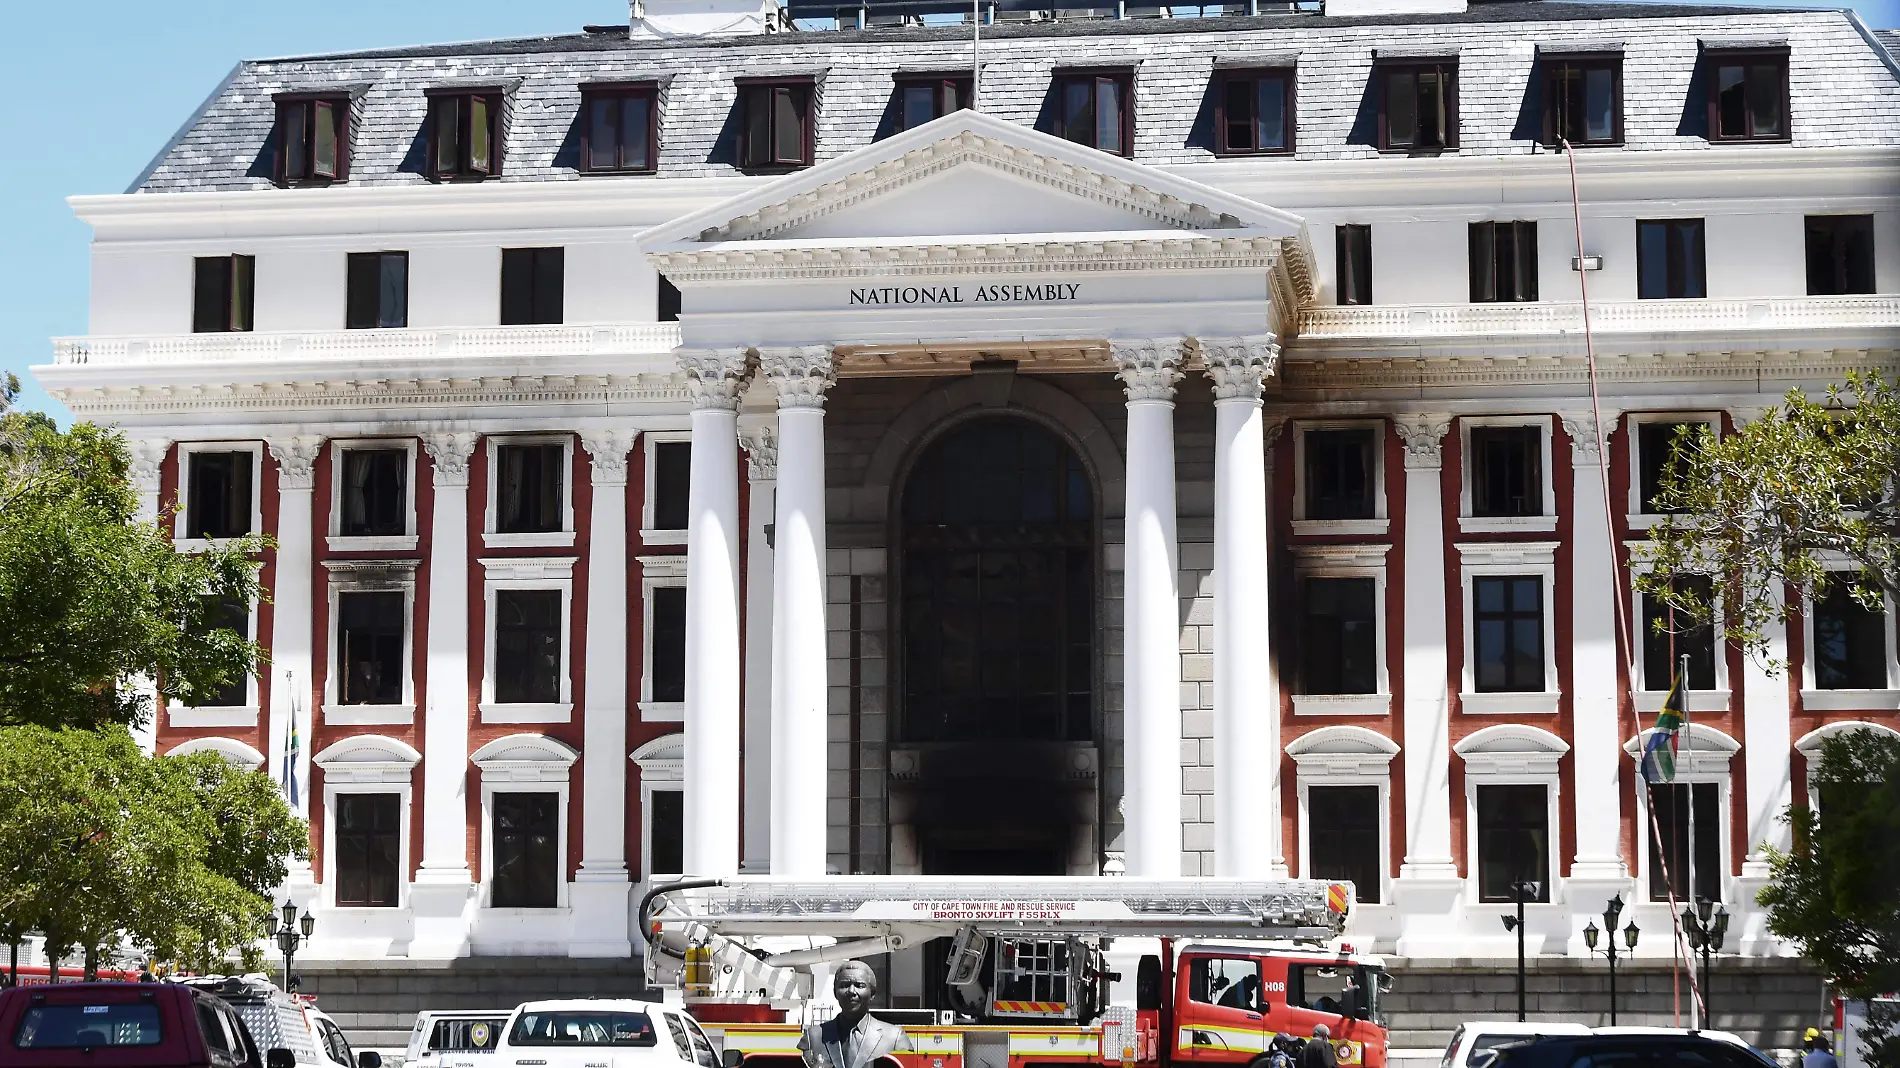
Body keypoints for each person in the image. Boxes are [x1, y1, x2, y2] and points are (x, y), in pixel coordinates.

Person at [799, 961, 911, 1068]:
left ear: (872, 993)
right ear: (835, 992)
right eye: (844, 985)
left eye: (859, 985)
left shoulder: (894, 1037)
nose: (851, 991)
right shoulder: (813, 1037)